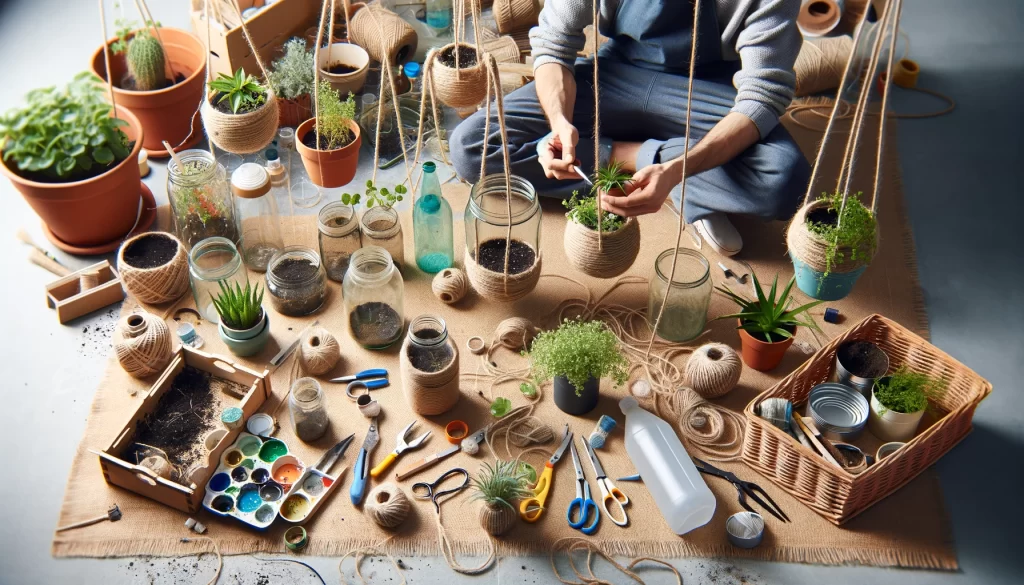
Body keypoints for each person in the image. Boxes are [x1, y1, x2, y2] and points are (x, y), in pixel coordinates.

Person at [449, 0, 811, 257]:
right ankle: (658, 167)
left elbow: (761, 97)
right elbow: (554, 45)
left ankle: (658, 169)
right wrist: (559, 122)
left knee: (783, 180)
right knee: (472, 147)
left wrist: (675, 169)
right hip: (616, 73)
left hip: (706, 89)